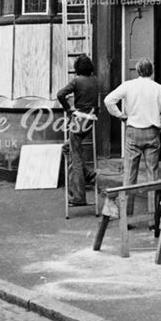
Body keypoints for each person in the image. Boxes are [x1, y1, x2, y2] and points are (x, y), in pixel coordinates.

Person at [104, 58, 161, 185]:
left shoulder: (128, 85)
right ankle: (152, 205)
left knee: (129, 173)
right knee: (152, 174)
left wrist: (120, 115)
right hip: (152, 131)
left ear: (137, 71)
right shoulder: (159, 88)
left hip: (133, 131)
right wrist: (160, 125)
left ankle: (127, 205)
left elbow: (108, 100)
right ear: (152, 71)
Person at [56, 54, 99, 207]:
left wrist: (68, 109)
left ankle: (79, 196)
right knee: (68, 148)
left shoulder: (76, 81)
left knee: (76, 158)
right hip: (91, 120)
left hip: (79, 120)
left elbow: (60, 94)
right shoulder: (95, 80)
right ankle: (87, 173)